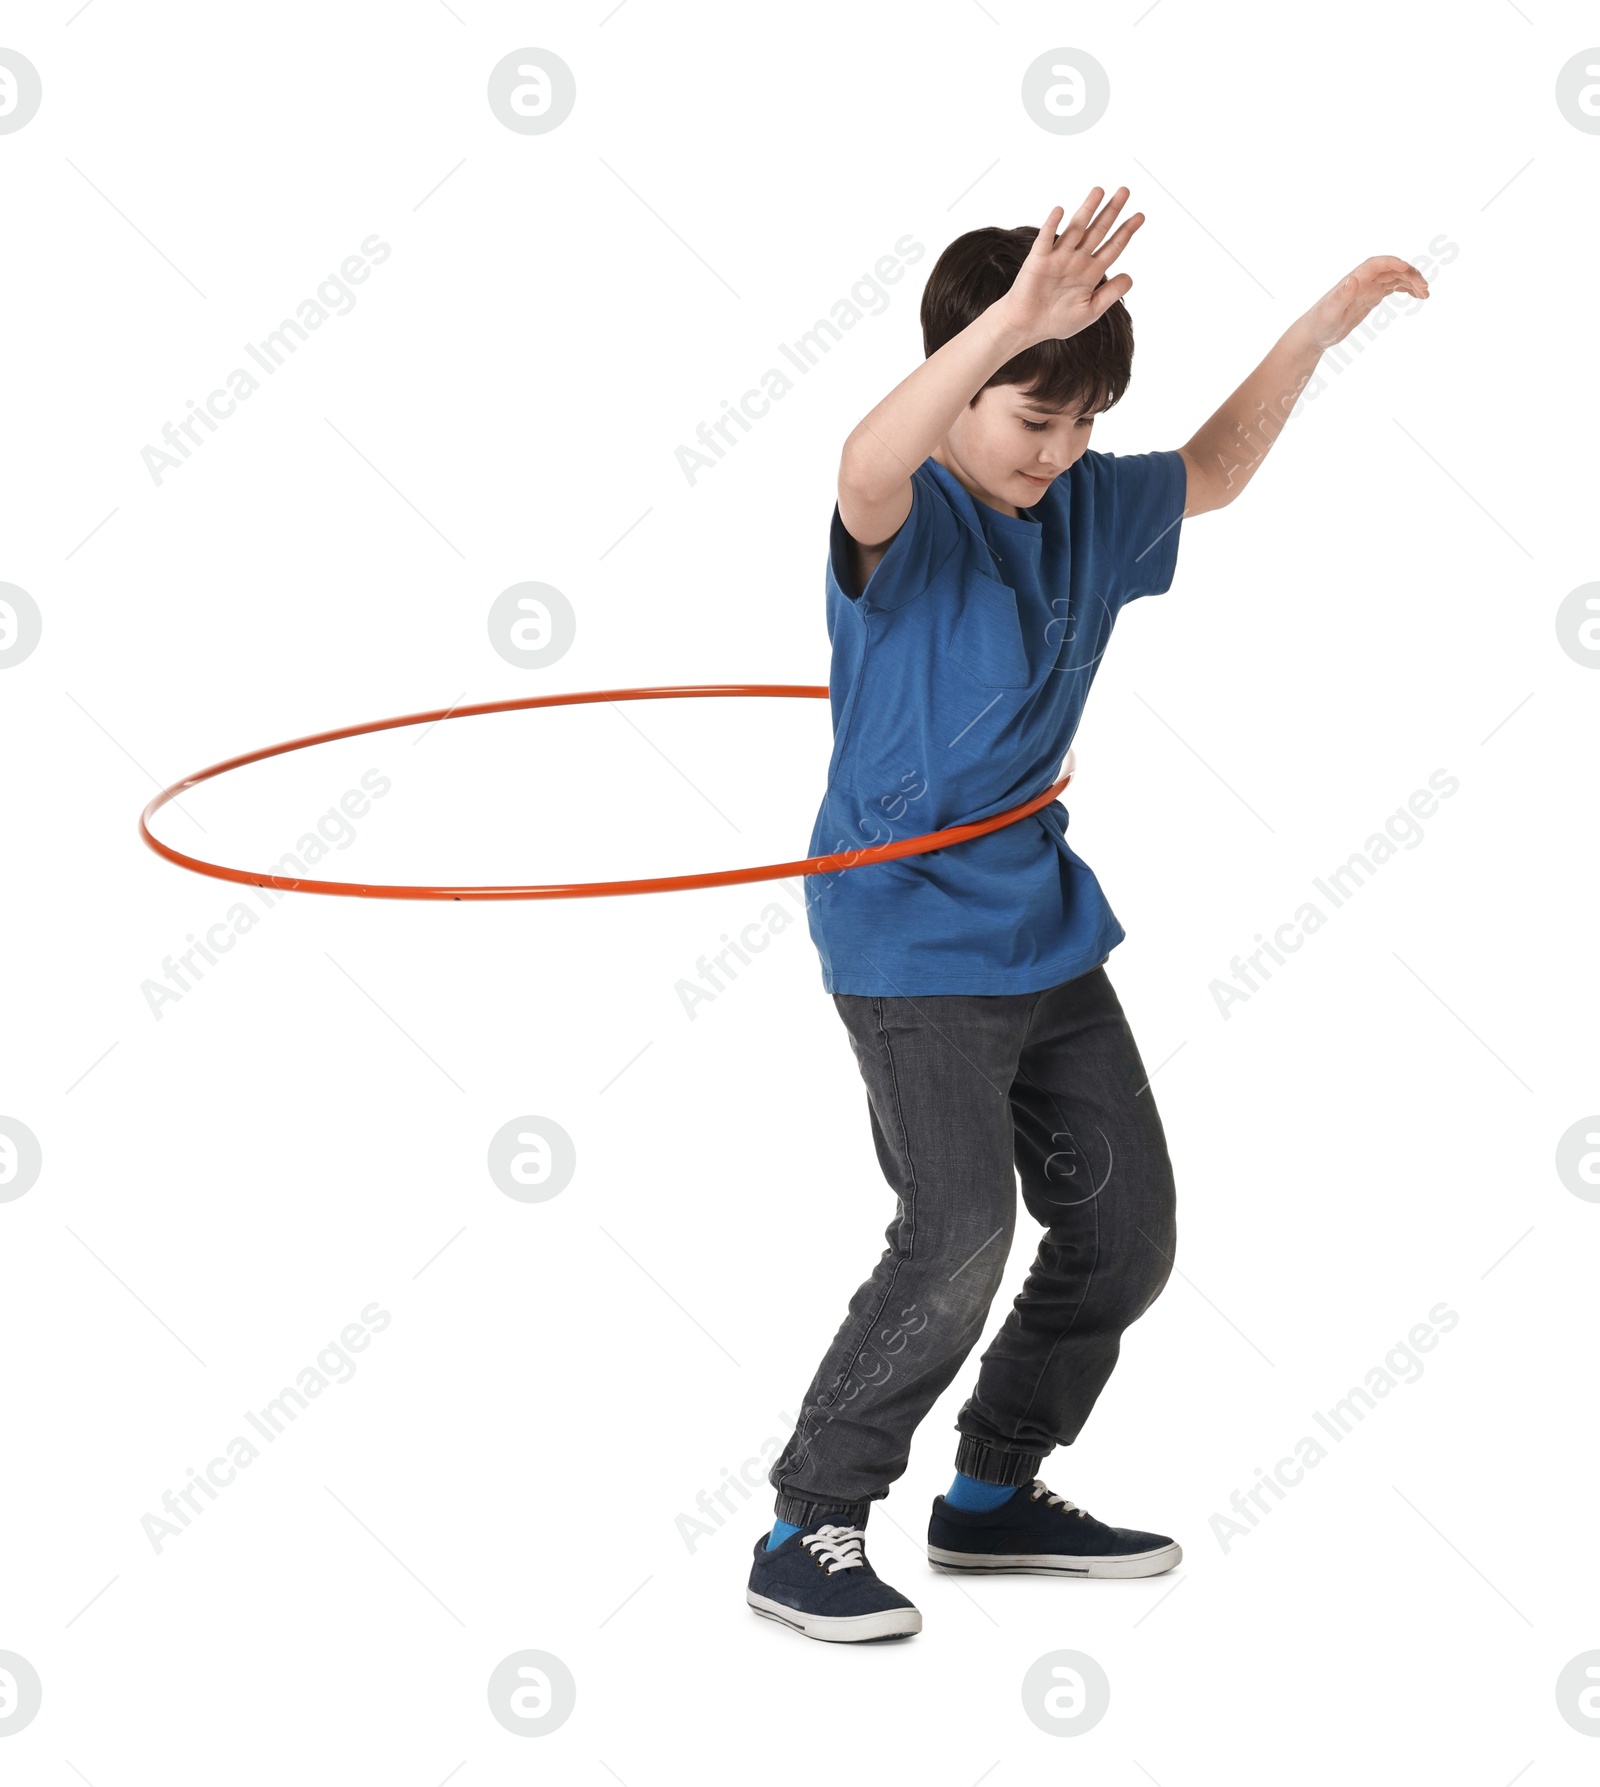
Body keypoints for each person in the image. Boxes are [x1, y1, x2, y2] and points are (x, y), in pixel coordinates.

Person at [744, 187, 1430, 1643]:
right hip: (907, 939)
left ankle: (991, 1493)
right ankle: (812, 1521)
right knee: (956, 1233)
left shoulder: (1090, 507)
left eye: (1079, 423)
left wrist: (1320, 324)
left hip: (1042, 925)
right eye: (1028, 418)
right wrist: (1013, 321)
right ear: (963, 386)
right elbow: (864, 456)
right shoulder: (907, 514)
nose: (1056, 455)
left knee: (1127, 1233)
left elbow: (1217, 473)